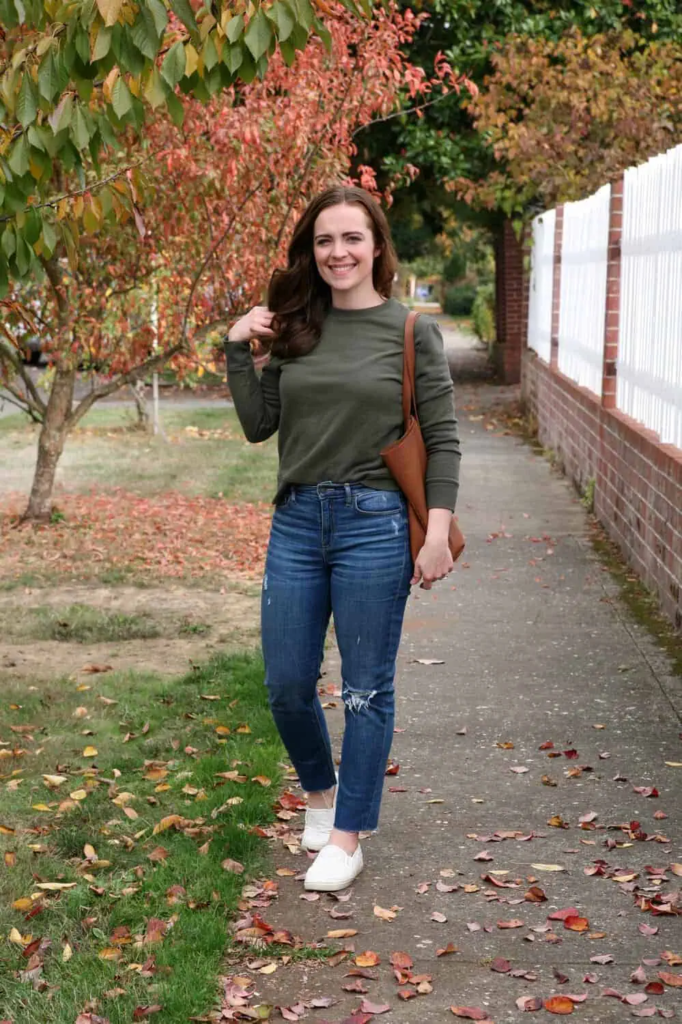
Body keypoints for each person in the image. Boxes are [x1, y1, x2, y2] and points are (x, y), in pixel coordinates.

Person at [225, 185, 461, 892]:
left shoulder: (410, 331)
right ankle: (321, 798)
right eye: (325, 240)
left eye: (352, 238)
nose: (338, 253)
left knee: (365, 691)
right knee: (287, 684)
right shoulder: (298, 326)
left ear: (377, 246)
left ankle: (350, 837)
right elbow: (257, 425)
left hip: (375, 525)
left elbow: (443, 438)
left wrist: (438, 533)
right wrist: (239, 348)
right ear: (311, 250)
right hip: (296, 520)